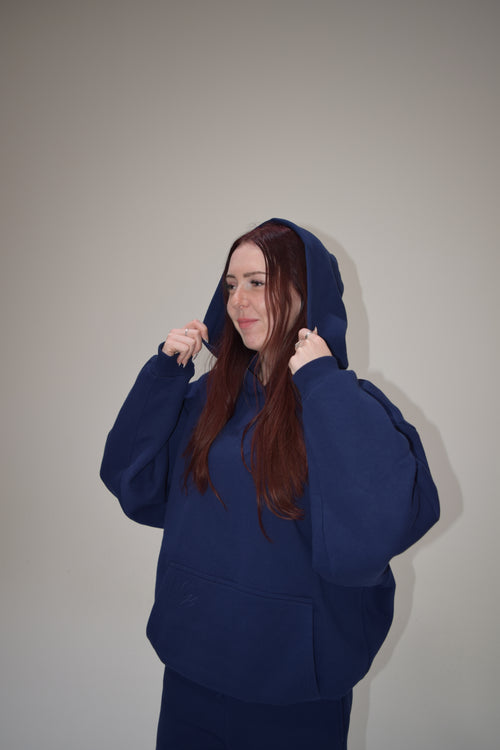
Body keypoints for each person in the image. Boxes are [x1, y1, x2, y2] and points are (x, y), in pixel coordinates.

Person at [100, 218, 439, 749]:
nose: (238, 300)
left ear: (306, 293)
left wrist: (322, 383)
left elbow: (374, 533)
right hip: (193, 665)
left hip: (294, 685)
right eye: (231, 284)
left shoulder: (340, 404)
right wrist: (164, 375)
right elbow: (133, 482)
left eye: (258, 282)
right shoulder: (208, 399)